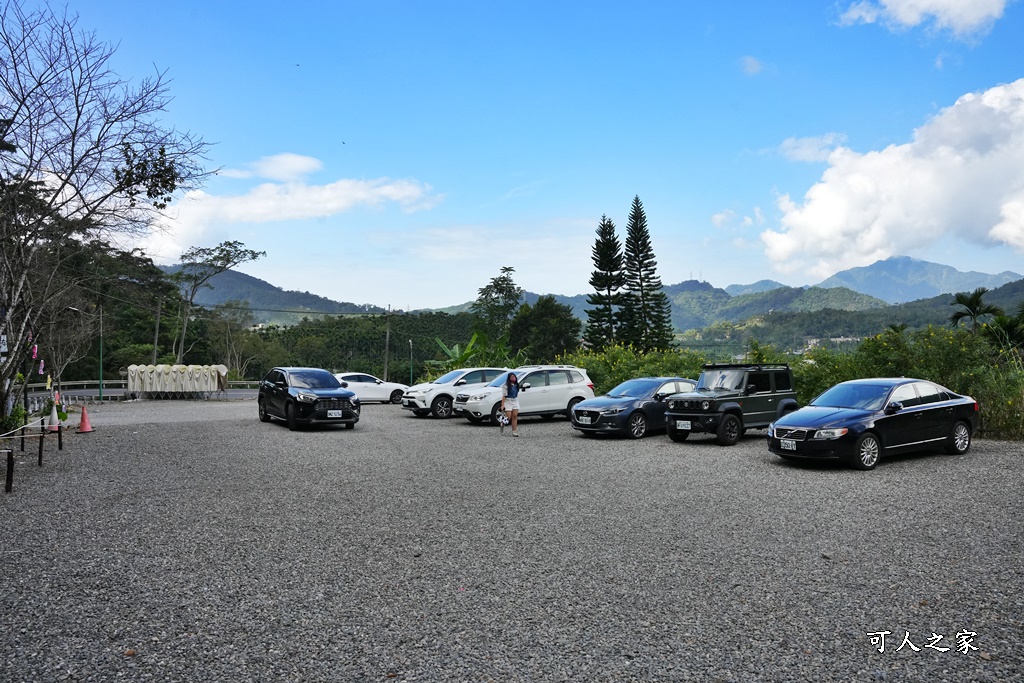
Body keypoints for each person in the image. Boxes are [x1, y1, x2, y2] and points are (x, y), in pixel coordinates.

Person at [501, 372, 521, 437]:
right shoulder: (506, 386)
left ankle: (514, 431)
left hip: (515, 400)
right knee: (508, 417)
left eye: (514, 376)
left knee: (515, 416)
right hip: (508, 400)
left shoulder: (516, 385)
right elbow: (504, 396)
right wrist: (502, 405)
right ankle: (502, 423)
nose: (513, 378)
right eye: (512, 377)